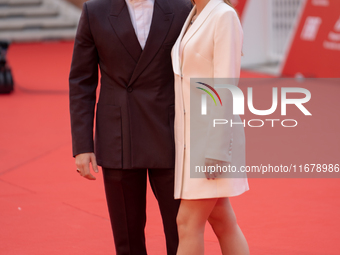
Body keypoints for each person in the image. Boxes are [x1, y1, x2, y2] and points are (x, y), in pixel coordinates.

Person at [69, 0, 191, 254]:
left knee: (183, 232)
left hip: (170, 135)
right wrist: (82, 145)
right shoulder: (95, 11)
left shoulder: (181, 8)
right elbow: (81, 81)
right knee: (127, 238)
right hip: (118, 136)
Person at [171, 0, 250, 254]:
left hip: (211, 142)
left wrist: (216, 151)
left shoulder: (223, 16)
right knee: (222, 220)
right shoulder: (194, 14)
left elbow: (226, 87)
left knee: (187, 223)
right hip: (192, 140)